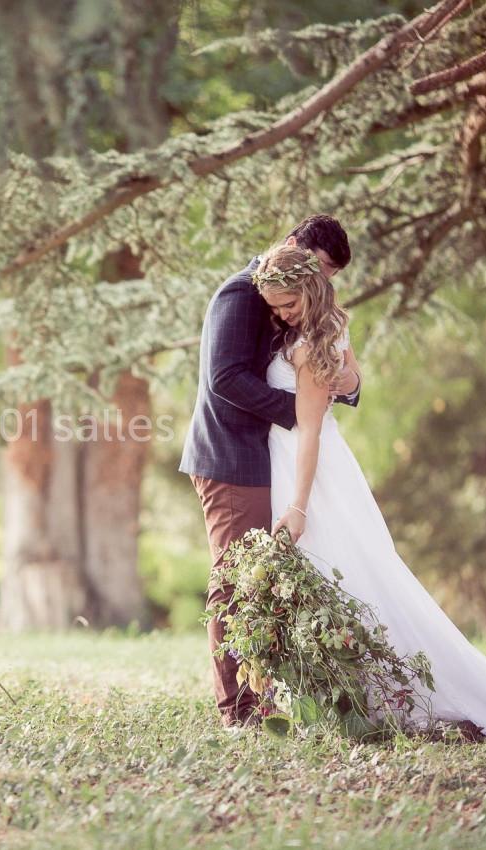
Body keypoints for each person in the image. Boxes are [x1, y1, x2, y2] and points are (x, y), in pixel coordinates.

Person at [254, 241, 486, 735]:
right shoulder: (327, 328)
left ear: (310, 288)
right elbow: (349, 381)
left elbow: (309, 430)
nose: (281, 315)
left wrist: (298, 506)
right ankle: (338, 694)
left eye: (288, 304)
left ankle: (377, 695)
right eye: (274, 308)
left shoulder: (307, 346)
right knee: (336, 577)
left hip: (308, 471)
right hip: (312, 463)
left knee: (339, 574)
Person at [179, 214, 361, 728]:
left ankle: (267, 699)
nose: (323, 282)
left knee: (265, 584)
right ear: (291, 246)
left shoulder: (298, 301)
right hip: (231, 456)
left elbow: (335, 371)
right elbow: (225, 378)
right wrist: (300, 413)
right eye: (320, 268)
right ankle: (236, 709)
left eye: (330, 276)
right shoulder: (241, 296)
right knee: (235, 582)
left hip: (270, 457)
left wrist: (337, 386)